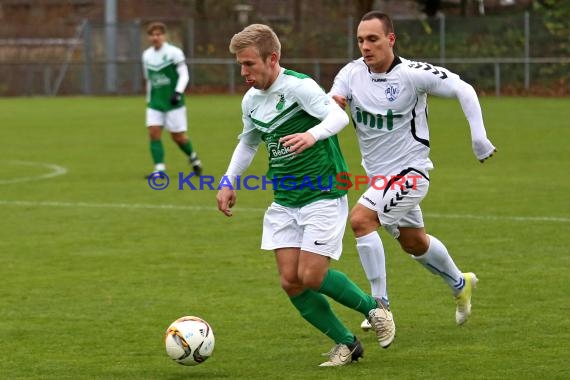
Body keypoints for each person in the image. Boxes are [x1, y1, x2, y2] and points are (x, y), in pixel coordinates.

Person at [216, 23, 395, 367]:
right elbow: (249, 142)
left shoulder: (299, 87)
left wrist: (312, 135)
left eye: (249, 64)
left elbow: (337, 116)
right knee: (291, 281)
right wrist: (228, 181)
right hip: (285, 199)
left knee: (312, 275)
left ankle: (375, 309)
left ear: (272, 58)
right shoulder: (251, 101)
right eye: (240, 65)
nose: (244, 72)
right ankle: (347, 343)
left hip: (322, 192)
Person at [327, 11, 497, 331]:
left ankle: (380, 305)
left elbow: (464, 89)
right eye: (361, 40)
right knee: (414, 243)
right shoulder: (350, 74)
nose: (365, 46)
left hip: (412, 172)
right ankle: (461, 284)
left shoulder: (413, 73)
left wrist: (479, 136)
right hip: (379, 179)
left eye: (373, 39)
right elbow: (331, 104)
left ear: (390, 39)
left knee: (361, 220)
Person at [142, 22, 202, 177]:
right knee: (153, 133)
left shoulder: (174, 53)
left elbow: (184, 74)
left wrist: (177, 92)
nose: (155, 37)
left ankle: (193, 158)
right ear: (149, 37)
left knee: (178, 137)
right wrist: (148, 99)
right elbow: (149, 79)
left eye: (158, 34)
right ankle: (159, 169)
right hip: (155, 102)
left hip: (173, 102)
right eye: (152, 35)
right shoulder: (147, 55)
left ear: (164, 36)